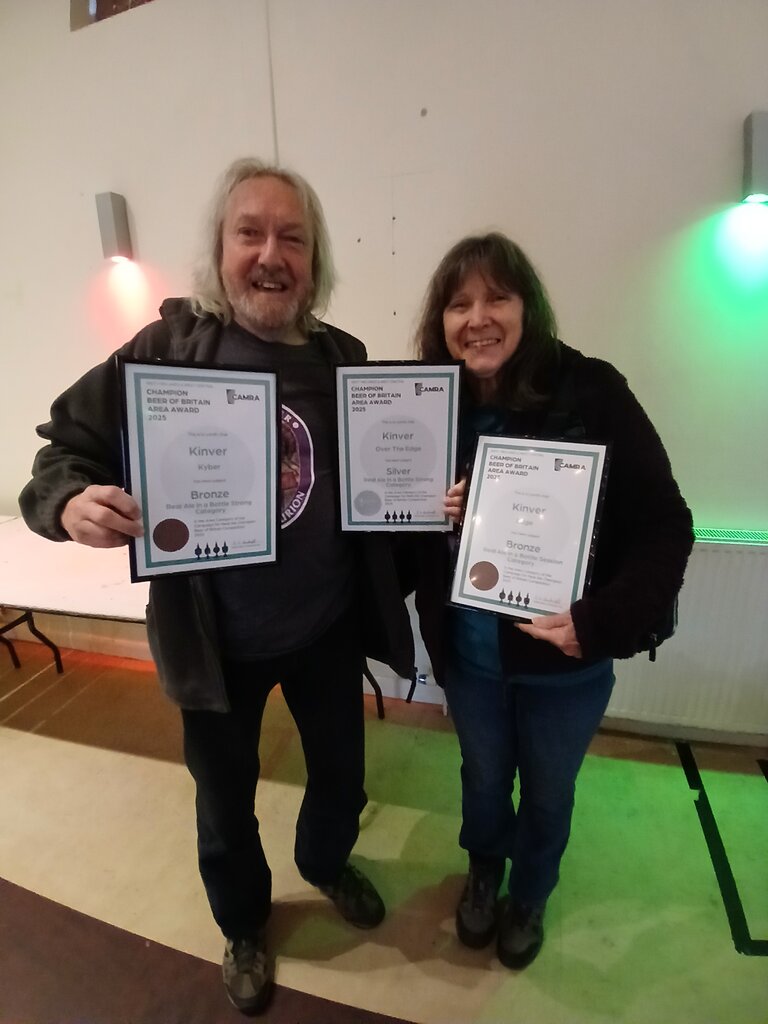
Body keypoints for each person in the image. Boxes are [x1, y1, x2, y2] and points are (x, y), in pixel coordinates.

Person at [19, 158, 414, 1015]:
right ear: (219, 247)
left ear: (315, 261)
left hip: (325, 628)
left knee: (343, 779)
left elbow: (383, 483)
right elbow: (60, 452)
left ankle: (323, 861)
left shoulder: (342, 357)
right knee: (225, 808)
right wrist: (71, 501)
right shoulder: (164, 349)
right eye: (251, 233)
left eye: (293, 238)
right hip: (215, 646)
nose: (271, 254)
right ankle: (242, 922)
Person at [406, 232, 693, 970]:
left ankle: (531, 891)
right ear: (440, 322)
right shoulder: (429, 407)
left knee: (547, 792)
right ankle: (483, 871)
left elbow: (666, 524)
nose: (478, 318)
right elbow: (396, 538)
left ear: (527, 307)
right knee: (480, 777)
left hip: (564, 665)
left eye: (496, 296)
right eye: (458, 303)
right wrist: (427, 516)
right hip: (469, 661)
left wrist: (599, 623)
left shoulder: (594, 390)